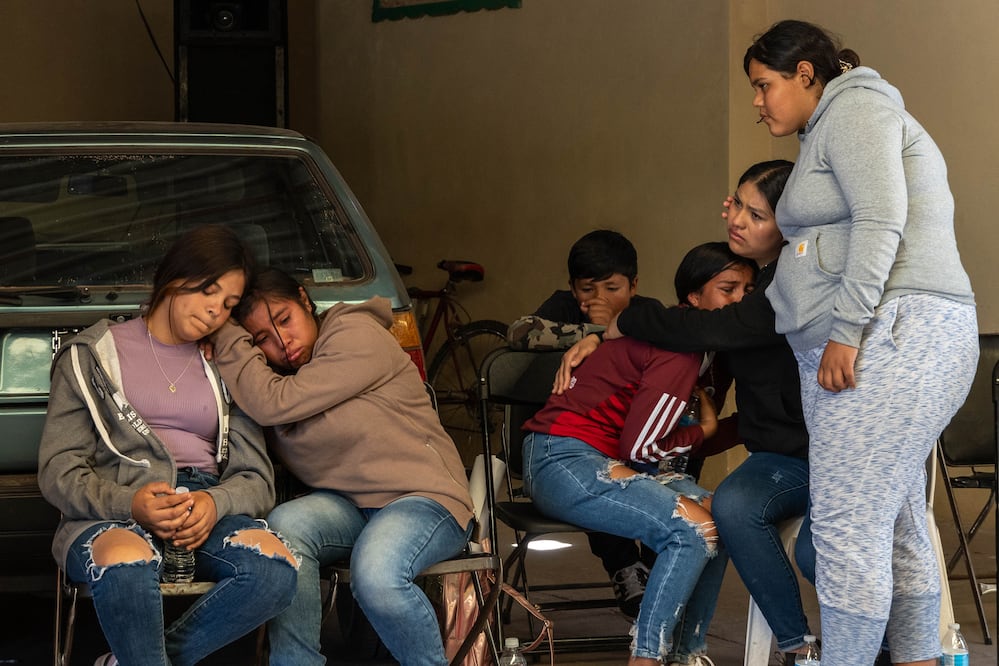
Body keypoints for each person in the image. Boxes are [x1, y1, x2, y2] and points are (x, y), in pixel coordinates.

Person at [744, 20, 978, 666]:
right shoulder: (833, 124)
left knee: (846, 528)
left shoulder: (854, 111)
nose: (757, 102)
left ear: (805, 75)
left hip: (890, 334)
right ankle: (915, 660)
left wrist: (845, 332)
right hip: (895, 334)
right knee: (896, 523)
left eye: (764, 86)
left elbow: (881, 219)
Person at [557, 160, 823, 664]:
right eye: (737, 205)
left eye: (756, 213)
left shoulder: (789, 280)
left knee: (813, 552)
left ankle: (883, 643)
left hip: (830, 449)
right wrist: (599, 334)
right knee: (723, 509)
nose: (738, 219)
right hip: (764, 455)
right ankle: (796, 647)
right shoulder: (737, 308)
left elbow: (716, 329)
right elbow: (710, 355)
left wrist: (625, 319)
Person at [37, 225, 298, 666]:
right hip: (116, 505)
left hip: (204, 504)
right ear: (177, 277)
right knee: (126, 561)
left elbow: (256, 478)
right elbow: (58, 469)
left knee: (274, 569)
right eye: (208, 291)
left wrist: (216, 503)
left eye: (228, 304)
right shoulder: (94, 355)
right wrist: (130, 504)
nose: (215, 311)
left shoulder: (228, 363)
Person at [210, 267, 476, 666]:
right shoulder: (276, 378)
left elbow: (271, 403)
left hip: (422, 499)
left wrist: (224, 332)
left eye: (284, 320)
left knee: (377, 575)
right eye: (262, 338)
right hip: (349, 505)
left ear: (305, 300)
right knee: (285, 527)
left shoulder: (355, 335)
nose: (282, 342)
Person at [523, 241, 756, 666]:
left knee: (723, 518)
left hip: (613, 460)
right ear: (694, 298)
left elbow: (651, 444)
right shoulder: (680, 350)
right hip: (562, 459)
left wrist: (716, 432)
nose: (741, 299)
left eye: (747, 290)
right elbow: (643, 448)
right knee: (693, 530)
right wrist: (703, 433)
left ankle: (687, 654)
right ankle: (646, 659)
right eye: (728, 288)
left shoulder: (708, 353)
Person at [507, 229, 666, 617]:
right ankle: (627, 568)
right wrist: (596, 333)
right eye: (587, 289)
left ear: (634, 285)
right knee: (596, 471)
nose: (598, 300)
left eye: (612, 288)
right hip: (569, 448)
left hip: (631, 441)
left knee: (671, 457)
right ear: (572, 288)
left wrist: (615, 332)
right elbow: (519, 332)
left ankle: (656, 568)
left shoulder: (647, 313)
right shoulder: (562, 308)